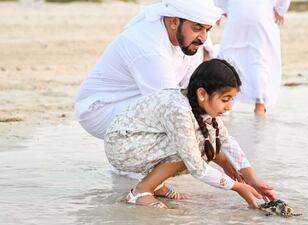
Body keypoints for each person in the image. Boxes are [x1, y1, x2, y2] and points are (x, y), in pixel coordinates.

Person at [104, 59, 277, 208]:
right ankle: (141, 192)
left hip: (140, 141)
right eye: (225, 99)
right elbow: (197, 168)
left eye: (232, 99)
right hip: (122, 146)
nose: (229, 106)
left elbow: (226, 141)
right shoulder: (179, 110)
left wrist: (251, 177)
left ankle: (156, 184)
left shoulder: (197, 105)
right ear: (202, 93)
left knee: (205, 138)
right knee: (196, 145)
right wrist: (237, 187)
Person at [74, 0, 222, 139]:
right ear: (174, 21)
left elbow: (192, 89)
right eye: (197, 28)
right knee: (177, 124)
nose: (203, 38)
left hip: (138, 97)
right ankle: (129, 163)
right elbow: (170, 108)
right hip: (101, 110)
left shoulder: (190, 37)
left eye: (207, 30)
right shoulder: (149, 48)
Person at [215, 0, 291, 116]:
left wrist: (220, 9)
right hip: (262, 14)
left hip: (237, 11)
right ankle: (260, 107)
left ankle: (225, 104)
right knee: (259, 59)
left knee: (230, 55)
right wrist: (281, 10)